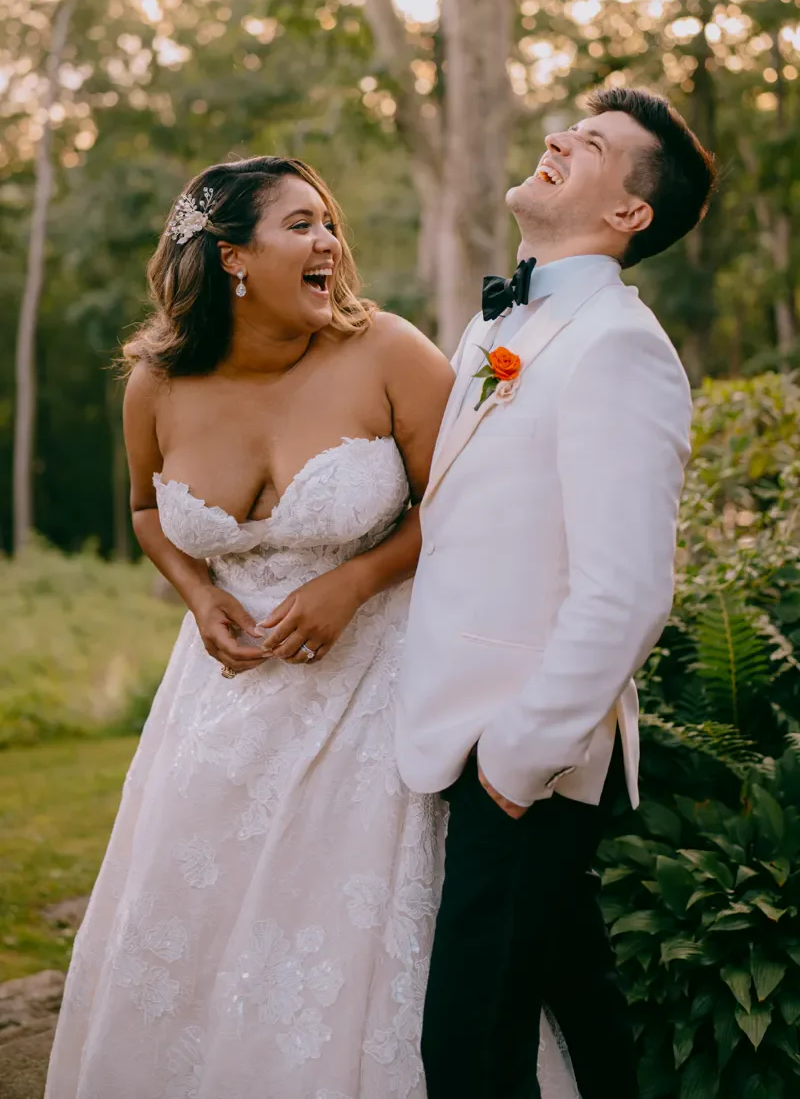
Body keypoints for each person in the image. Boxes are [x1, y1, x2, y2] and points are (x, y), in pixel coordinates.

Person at [45, 155, 463, 1099]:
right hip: (221, 703)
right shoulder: (155, 384)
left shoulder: (390, 350)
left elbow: (467, 501)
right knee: (193, 927)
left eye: (331, 224)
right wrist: (199, 596)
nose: (331, 244)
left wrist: (355, 582)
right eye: (303, 226)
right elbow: (149, 513)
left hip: (374, 689)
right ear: (231, 256)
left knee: (335, 936)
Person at [396, 86, 718, 1099]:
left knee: (468, 1053)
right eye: (567, 128)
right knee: (572, 1015)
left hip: (524, 760)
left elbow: (625, 593)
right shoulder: (502, 326)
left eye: (589, 144)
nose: (556, 140)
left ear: (629, 213)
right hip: (463, 736)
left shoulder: (618, 346)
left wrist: (515, 759)